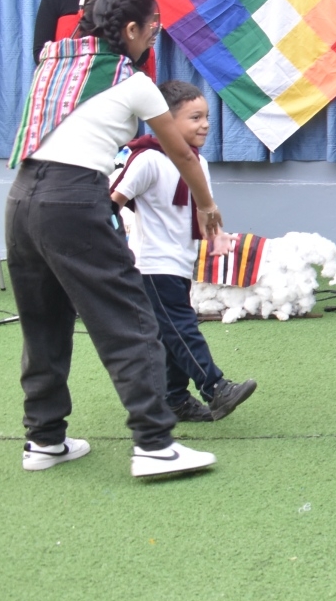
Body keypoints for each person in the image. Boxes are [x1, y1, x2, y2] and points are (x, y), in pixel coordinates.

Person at [7, 0, 219, 480]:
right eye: (151, 32)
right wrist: (207, 204)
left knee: (43, 323)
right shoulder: (133, 81)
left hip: (21, 199)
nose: (152, 41)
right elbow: (181, 152)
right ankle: (154, 444)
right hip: (74, 200)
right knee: (130, 320)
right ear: (129, 30)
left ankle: (45, 439)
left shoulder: (52, 62)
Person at [110, 80, 258, 425]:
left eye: (206, 117)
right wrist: (113, 248)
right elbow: (111, 202)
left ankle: (174, 400)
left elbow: (203, 211)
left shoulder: (198, 163)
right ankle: (215, 387)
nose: (205, 124)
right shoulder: (147, 159)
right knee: (181, 327)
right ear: (165, 120)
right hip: (151, 265)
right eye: (195, 117)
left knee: (170, 334)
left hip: (180, 263)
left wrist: (217, 237)